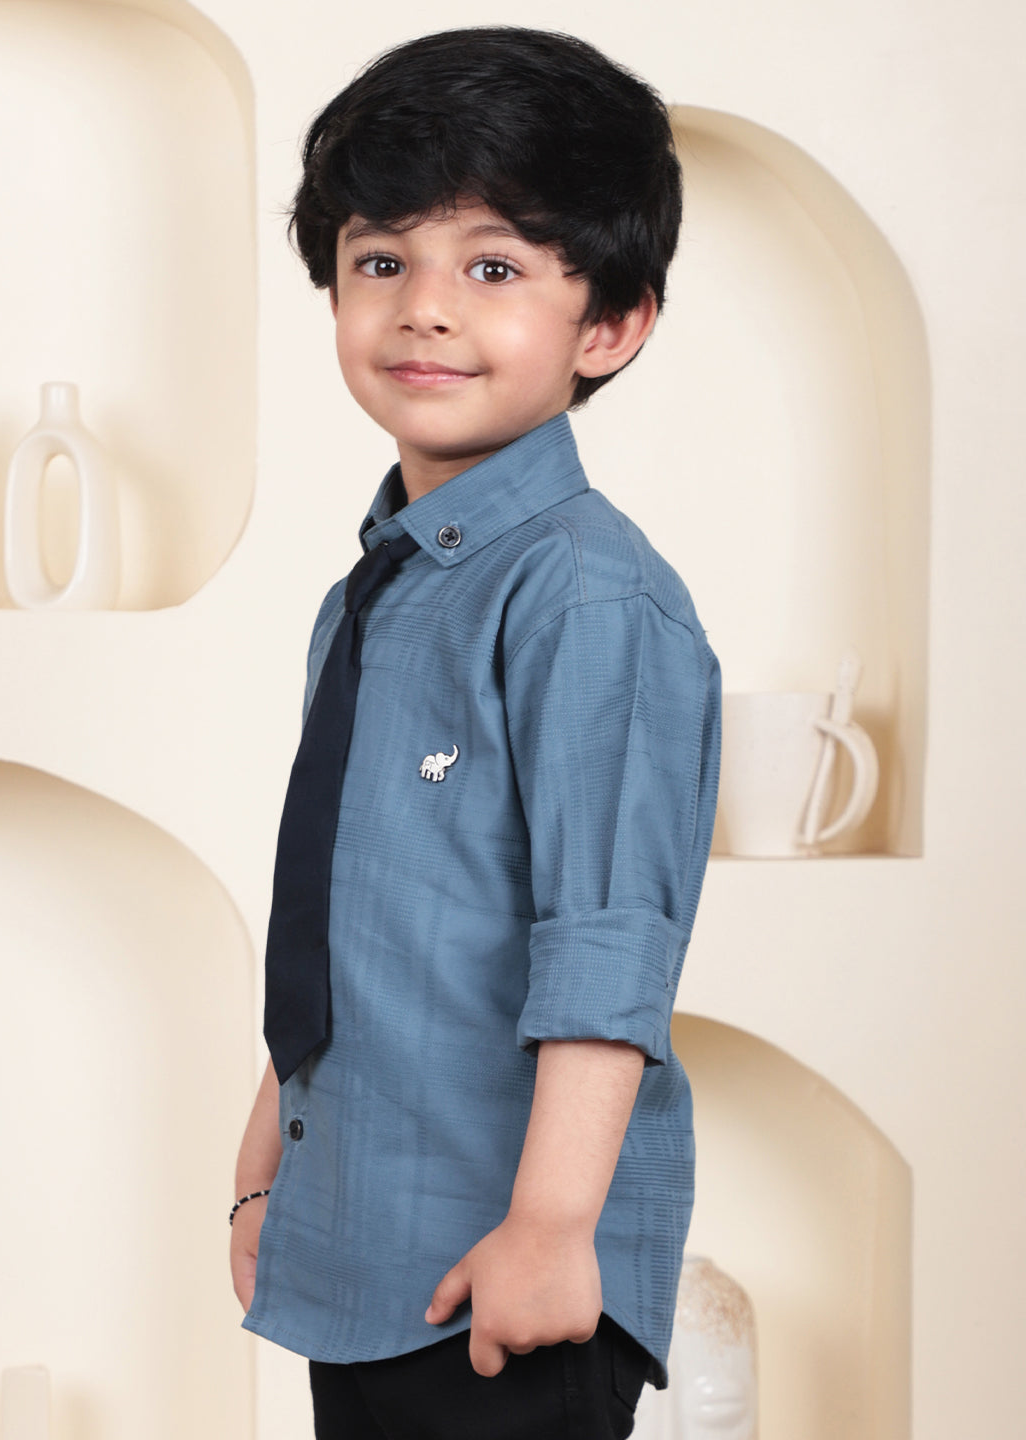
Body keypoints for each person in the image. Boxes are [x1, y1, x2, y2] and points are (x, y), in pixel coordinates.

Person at [230, 26, 721, 1440]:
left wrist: (551, 1228)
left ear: (609, 325)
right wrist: (264, 1174)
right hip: (358, 1239)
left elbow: (608, 943)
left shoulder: (588, 594)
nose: (426, 310)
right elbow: (346, 918)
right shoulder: (372, 595)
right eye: (382, 260)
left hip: (511, 1266)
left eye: (494, 268)